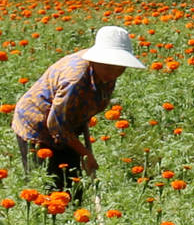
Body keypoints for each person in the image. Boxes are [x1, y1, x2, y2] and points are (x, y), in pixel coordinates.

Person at [13, 24, 146, 190]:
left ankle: (72, 212)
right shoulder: (75, 80)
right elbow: (56, 124)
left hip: (66, 125)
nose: (113, 73)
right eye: (109, 66)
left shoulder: (104, 70)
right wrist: (85, 154)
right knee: (45, 185)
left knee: (71, 183)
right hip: (37, 123)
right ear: (96, 59)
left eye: (120, 67)